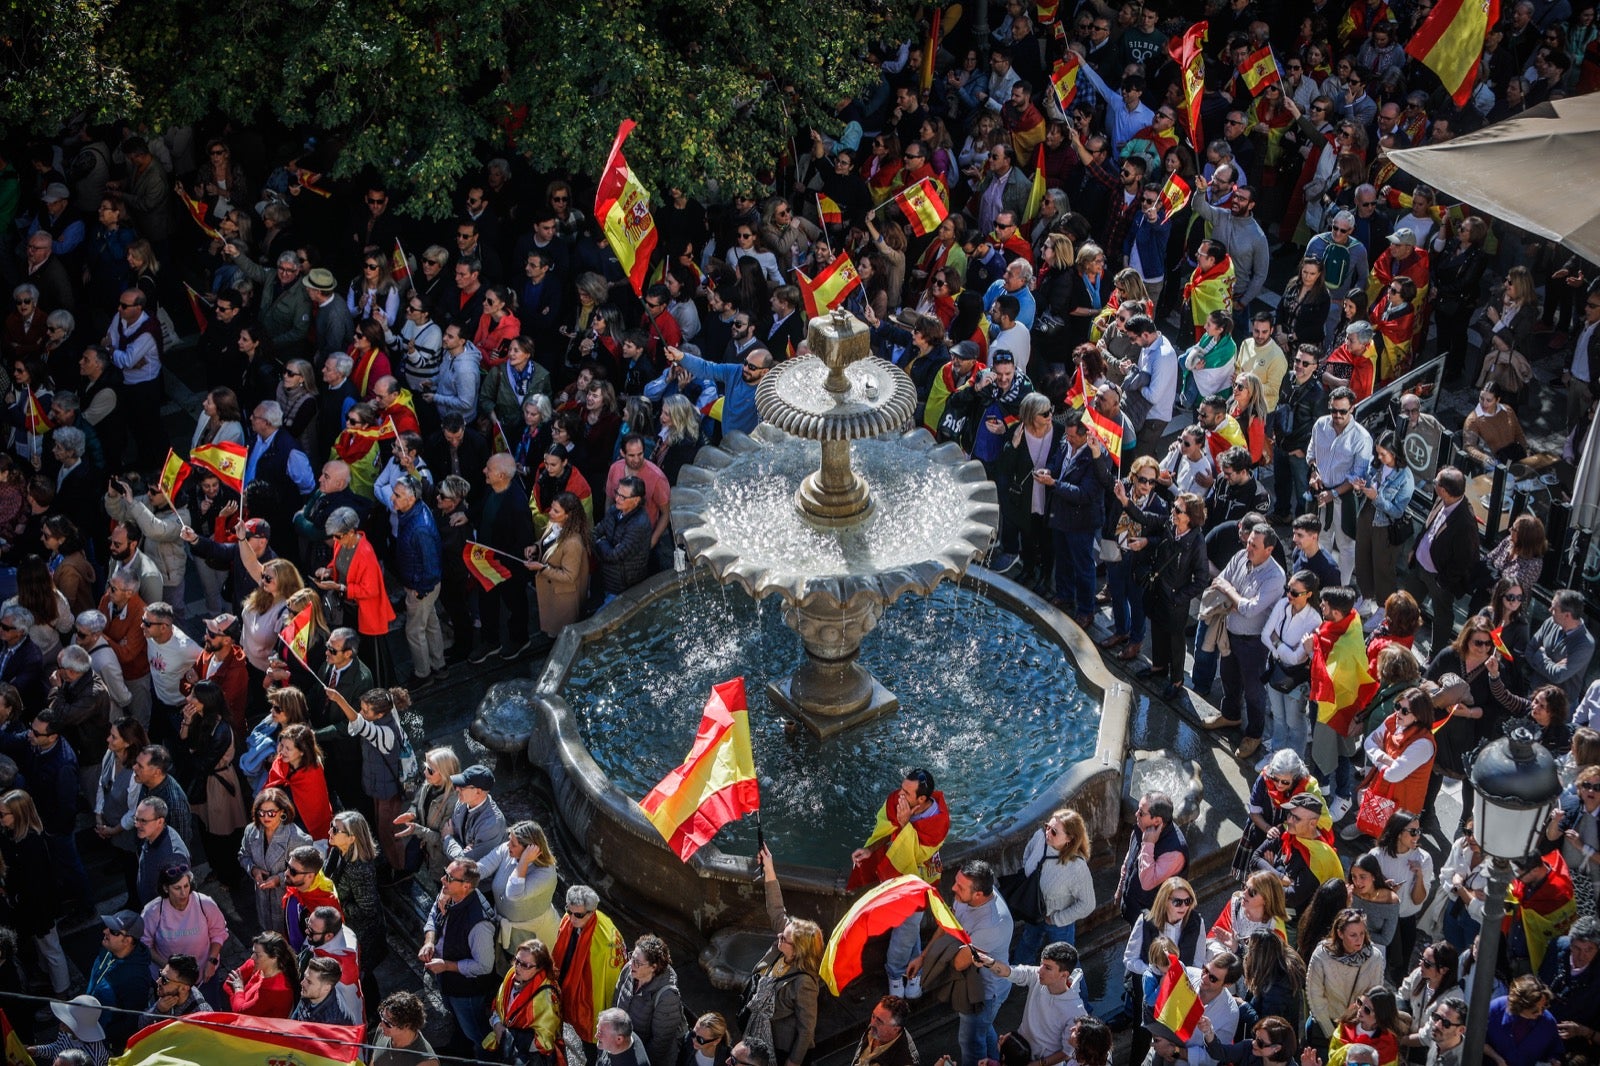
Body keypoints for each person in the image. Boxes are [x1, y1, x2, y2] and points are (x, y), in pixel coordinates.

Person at [848, 768, 950, 997]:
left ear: (922, 799)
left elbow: (917, 854)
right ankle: (914, 968)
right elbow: (888, 828)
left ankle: (895, 974)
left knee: (907, 925)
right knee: (909, 926)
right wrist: (869, 849)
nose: (900, 795)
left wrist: (906, 824)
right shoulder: (899, 800)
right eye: (902, 788)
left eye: (907, 792)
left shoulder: (938, 821)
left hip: (920, 878)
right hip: (897, 874)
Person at [747, 846, 822, 1066]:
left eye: (784, 938)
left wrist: (793, 1061)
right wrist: (769, 868)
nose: (779, 936)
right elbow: (777, 909)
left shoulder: (804, 984)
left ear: (798, 950)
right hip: (758, 1030)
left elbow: (807, 1027)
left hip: (781, 1047)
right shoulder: (786, 943)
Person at [420, 858, 497, 1056]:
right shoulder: (449, 892)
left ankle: (485, 1059)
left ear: (466, 886)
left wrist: (446, 965)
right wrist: (429, 941)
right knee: (459, 1022)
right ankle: (460, 1051)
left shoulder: (479, 924)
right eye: (445, 873)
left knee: (478, 1034)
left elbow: (484, 966)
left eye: (449, 877)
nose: (442, 879)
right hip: (449, 981)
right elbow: (433, 915)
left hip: (467, 991)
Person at [1411, 467, 1480, 654]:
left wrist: (1443, 581)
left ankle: (1436, 653)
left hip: (1438, 578)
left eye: (1436, 483)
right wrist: (1415, 549)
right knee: (1409, 605)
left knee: (1441, 616)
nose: (1434, 485)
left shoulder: (1465, 522)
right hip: (1420, 569)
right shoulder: (1442, 500)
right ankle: (1402, 639)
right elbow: (1429, 526)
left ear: (1444, 490)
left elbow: (1465, 560)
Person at [1014, 808, 1095, 961]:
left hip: (1058, 923)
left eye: (1054, 832)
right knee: (1027, 943)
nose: (1047, 833)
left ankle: (1075, 986)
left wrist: (1057, 918)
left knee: (1064, 961)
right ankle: (1015, 978)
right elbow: (1027, 855)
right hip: (1033, 911)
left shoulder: (1076, 867)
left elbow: (1088, 904)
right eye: (1047, 827)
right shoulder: (1039, 837)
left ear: (1069, 838)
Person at [139, 862, 226, 1001]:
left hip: (204, 975)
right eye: (177, 888)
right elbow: (144, 943)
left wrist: (212, 961)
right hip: (170, 983)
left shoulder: (205, 903)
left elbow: (219, 933)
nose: (184, 893)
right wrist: (168, 969)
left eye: (186, 886)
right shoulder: (153, 911)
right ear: (166, 889)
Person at [477, 819, 561, 955]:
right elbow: (483, 867)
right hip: (504, 929)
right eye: (509, 840)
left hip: (533, 937)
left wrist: (523, 862)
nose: (508, 845)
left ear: (529, 848)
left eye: (513, 844)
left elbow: (513, 894)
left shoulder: (546, 873)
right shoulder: (507, 850)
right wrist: (461, 873)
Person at [1306, 911, 1385, 1051]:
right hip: (1325, 1025)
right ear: (1340, 934)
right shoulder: (1321, 955)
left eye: (1362, 933)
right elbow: (1315, 996)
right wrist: (1331, 1034)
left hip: (1357, 1029)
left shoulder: (1375, 958)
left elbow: (1374, 998)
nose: (1359, 939)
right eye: (1353, 935)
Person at [238, 786, 312, 934]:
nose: (266, 817)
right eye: (261, 812)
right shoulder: (251, 831)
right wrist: (253, 869)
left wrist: (279, 880)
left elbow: (306, 873)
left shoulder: (297, 838)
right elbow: (243, 855)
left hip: (286, 902)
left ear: (282, 812)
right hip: (262, 901)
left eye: (271, 813)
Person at [487, 938, 564, 1064]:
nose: (518, 967)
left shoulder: (546, 996)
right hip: (508, 1047)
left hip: (529, 1057)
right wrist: (496, 1023)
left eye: (526, 965)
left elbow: (544, 1043)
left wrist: (506, 1035)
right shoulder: (512, 975)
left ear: (539, 968)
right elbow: (498, 1004)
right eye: (517, 960)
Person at [614, 933, 686, 1066]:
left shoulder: (667, 997)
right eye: (632, 957)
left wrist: (637, 1061)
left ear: (654, 967)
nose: (631, 964)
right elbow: (616, 999)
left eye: (637, 962)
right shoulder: (630, 970)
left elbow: (660, 1043)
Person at [1485, 975, 1563, 1066]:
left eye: (1543, 1007)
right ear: (1520, 1005)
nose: (1540, 1013)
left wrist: (1554, 1061)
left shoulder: (1548, 1022)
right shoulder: (1495, 1010)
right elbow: (1479, 1041)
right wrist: (1497, 1058)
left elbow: (1556, 1051)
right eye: (1535, 1010)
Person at [225, 930, 299, 1018]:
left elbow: (241, 1012)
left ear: (274, 958)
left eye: (258, 955)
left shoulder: (275, 991)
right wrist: (240, 1002)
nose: (252, 957)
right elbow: (228, 983)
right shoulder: (255, 964)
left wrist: (238, 989)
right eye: (253, 952)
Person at [371, 991, 442, 1066]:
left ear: (406, 1025)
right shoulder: (382, 1031)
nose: (381, 1025)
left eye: (387, 1023)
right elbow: (374, 1060)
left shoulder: (426, 1062)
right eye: (382, 1017)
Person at [850, 997, 917, 1066]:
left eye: (879, 1021)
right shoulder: (873, 1030)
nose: (872, 1023)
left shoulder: (904, 1061)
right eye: (873, 1016)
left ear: (895, 1029)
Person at [292, 955, 355, 1025]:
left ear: (326, 988)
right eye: (304, 977)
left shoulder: (333, 1020)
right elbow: (293, 1023)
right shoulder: (309, 992)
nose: (302, 983)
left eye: (309, 982)